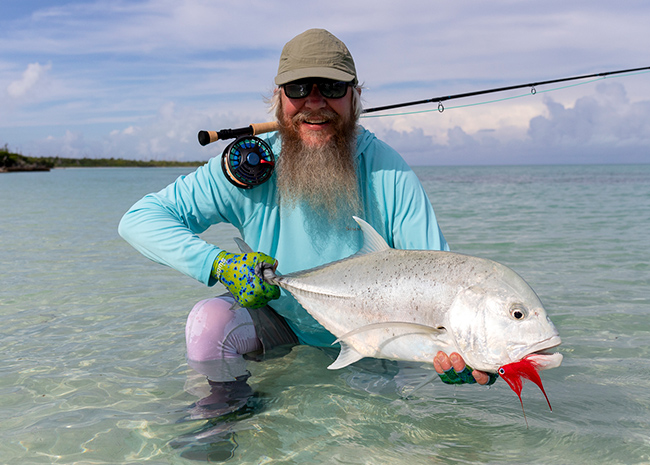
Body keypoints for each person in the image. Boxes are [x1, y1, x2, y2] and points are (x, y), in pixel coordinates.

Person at [118, 29, 494, 415]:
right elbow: (140, 219)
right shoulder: (251, 167)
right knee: (209, 322)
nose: (315, 102)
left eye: (331, 86)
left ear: (355, 97)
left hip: (373, 336)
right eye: (298, 89)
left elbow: (443, 280)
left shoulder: (387, 171)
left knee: (394, 429)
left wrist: (464, 346)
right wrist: (217, 263)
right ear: (278, 99)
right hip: (280, 320)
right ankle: (225, 415)